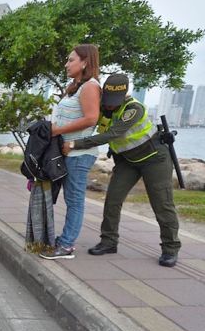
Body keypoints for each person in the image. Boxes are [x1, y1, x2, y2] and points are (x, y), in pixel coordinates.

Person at [63, 74, 181, 267]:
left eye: (114, 102)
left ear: (124, 95)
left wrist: (75, 144)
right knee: (112, 200)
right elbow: (86, 121)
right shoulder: (102, 106)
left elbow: (112, 134)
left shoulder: (134, 109)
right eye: (108, 100)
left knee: (162, 204)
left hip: (154, 159)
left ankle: (170, 248)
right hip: (127, 161)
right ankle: (109, 241)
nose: (110, 105)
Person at [40, 44, 101, 260]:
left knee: (74, 200)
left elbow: (91, 118)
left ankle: (66, 245)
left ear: (84, 62)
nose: (66, 64)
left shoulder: (91, 87)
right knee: (67, 198)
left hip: (79, 153)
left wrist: (58, 130)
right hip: (66, 151)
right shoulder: (74, 86)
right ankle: (64, 239)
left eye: (71, 60)